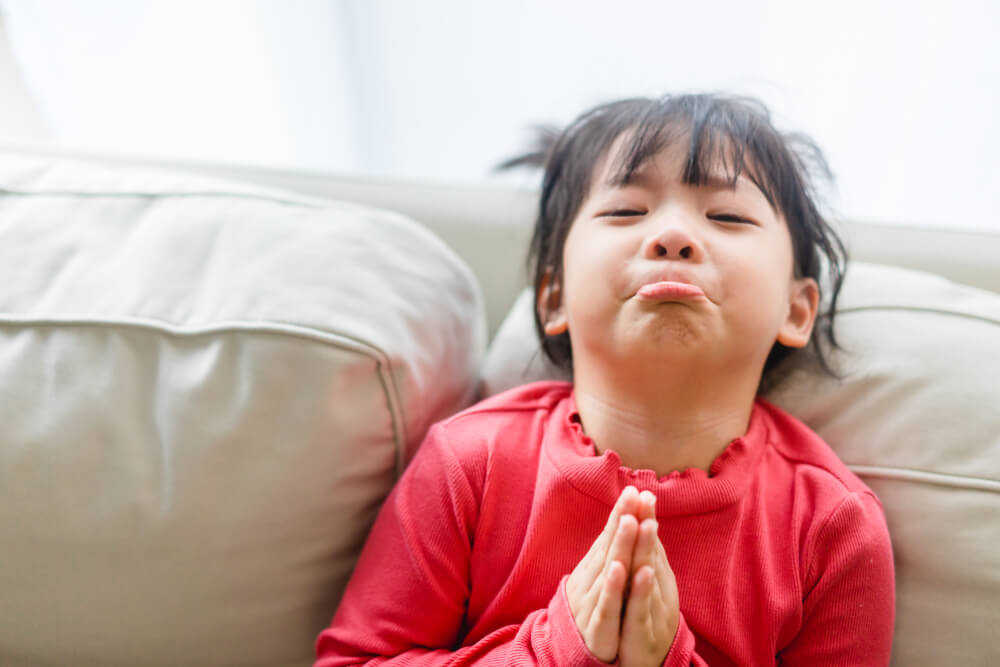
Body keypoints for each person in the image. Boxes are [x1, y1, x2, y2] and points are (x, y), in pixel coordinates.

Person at [314, 94, 895, 665]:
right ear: (554, 297)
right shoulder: (468, 464)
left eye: (727, 216)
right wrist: (554, 652)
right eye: (625, 211)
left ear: (797, 310)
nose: (672, 236)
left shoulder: (835, 528)